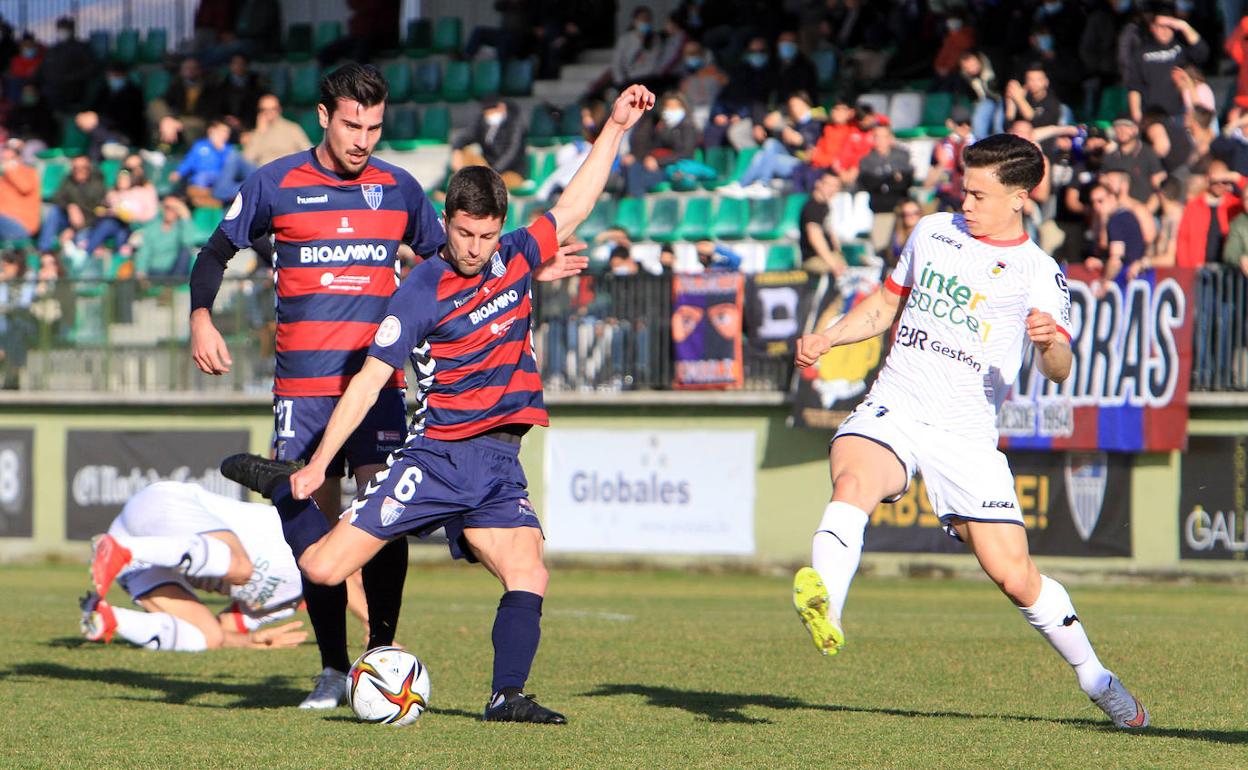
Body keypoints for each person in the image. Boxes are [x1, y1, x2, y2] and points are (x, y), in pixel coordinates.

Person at [219, 83, 657, 725]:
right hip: (437, 459)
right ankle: (283, 484)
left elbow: (573, 206)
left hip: (499, 463)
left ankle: (506, 696)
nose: (475, 247)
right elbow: (369, 380)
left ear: (500, 228)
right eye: (463, 232)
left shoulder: (515, 256)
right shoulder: (420, 289)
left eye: (486, 234)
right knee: (322, 563)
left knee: (528, 571)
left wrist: (615, 128)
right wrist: (317, 468)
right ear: (445, 221)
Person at [789, 133, 1149, 731]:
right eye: (963, 187)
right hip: (897, 405)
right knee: (853, 480)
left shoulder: (1039, 273)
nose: (966, 201)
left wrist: (1049, 344)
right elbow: (885, 305)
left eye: (979, 193)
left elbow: (1059, 367)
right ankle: (827, 601)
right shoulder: (932, 231)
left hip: (965, 436)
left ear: (1019, 197)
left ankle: (1097, 680)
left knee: (1015, 577)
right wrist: (829, 336)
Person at [187, 63, 445, 710]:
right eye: (353, 124)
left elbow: (445, 267)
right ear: (325, 117)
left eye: (375, 127)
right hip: (302, 390)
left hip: (376, 383)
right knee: (312, 525)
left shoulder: (401, 189)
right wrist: (200, 318)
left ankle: (381, 652)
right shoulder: (275, 184)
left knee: (385, 512)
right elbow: (214, 253)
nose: (363, 139)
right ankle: (333, 668)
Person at [79, 481, 315, 652]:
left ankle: (105, 616)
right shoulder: (317, 541)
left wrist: (251, 640)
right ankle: (121, 550)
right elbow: (348, 586)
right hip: (158, 506)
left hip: (143, 559)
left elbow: (222, 629)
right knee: (241, 569)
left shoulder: (286, 606)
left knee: (208, 636)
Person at [856, 125, 915, 254]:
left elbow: (906, 182)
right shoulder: (866, 161)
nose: (880, 141)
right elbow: (869, 183)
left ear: (890, 138)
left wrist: (883, 181)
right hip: (880, 211)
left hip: (901, 210)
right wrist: (891, 179)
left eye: (884, 137)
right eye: (877, 137)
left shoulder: (902, 156)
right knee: (882, 250)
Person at [1175, 158, 1243, 267]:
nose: (1220, 185)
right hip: (1199, 269)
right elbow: (1183, 240)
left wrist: (1235, 177)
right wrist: (1186, 269)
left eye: (1224, 181)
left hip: (1226, 270)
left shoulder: (1233, 205)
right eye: (1216, 181)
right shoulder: (1193, 206)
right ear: (1208, 179)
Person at [450, 96, 528, 190]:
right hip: (487, 168)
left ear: (501, 108)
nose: (488, 115)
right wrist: (456, 151)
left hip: (509, 171)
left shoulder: (515, 124)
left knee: (492, 185)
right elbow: (464, 137)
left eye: (491, 111)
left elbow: (511, 153)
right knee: (466, 152)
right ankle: (460, 188)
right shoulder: (483, 123)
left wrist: (492, 172)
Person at [1086, 181, 1146, 294]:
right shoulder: (1128, 215)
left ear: (1112, 198)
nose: (1096, 206)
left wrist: (1103, 283)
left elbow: (1116, 260)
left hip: (1126, 281)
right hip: (1138, 278)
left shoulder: (1116, 221)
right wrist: (1102, 263)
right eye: (1093, 202)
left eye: (1100, 201)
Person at [799, 170, 847, 276]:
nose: (832, 189)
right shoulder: (813, 207)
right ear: (818, 184)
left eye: (836, 186)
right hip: (815, 259)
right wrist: (833, 264)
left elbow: (830, 234)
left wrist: (839, 255)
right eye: (829, 185)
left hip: (829, 257)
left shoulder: (825, 206)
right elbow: (815, 238)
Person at [0, 141, 41, 242]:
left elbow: (25, 187)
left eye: (11, 158)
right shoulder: (3, 177)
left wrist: (11, 170)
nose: (6, 162)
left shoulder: (29, 172)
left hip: (22, 225)